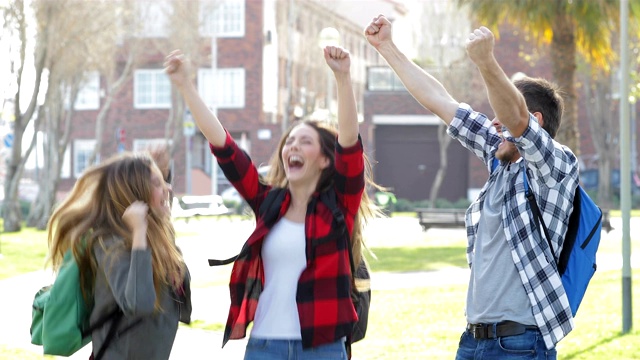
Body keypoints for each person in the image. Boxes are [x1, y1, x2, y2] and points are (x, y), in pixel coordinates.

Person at [365, 15, 579, 359]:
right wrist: (387, 47)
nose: (492, 120)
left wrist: (486, 62)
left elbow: (517, 119)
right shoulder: (499, 160)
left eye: (499, 111)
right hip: (474, 341)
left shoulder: (554, 167)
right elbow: (439, 98)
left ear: (535, 120)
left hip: (521, 344)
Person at [165, 44, 380, 359]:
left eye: (305, 142)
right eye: (289, 141)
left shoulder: (340, 206)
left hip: (322, 348)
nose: (292, 146)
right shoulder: (268, 202)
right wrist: (185, 86)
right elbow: (224, 147)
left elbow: (348, 144)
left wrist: (343, 78)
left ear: (324, 159)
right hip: (265, 346)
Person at [46, 151, 192, 359]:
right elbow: (140, 303)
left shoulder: (160, 239)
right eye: (157, 183)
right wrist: (139, 232)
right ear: (136, 193)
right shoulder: (111, 244)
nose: (168, 188)